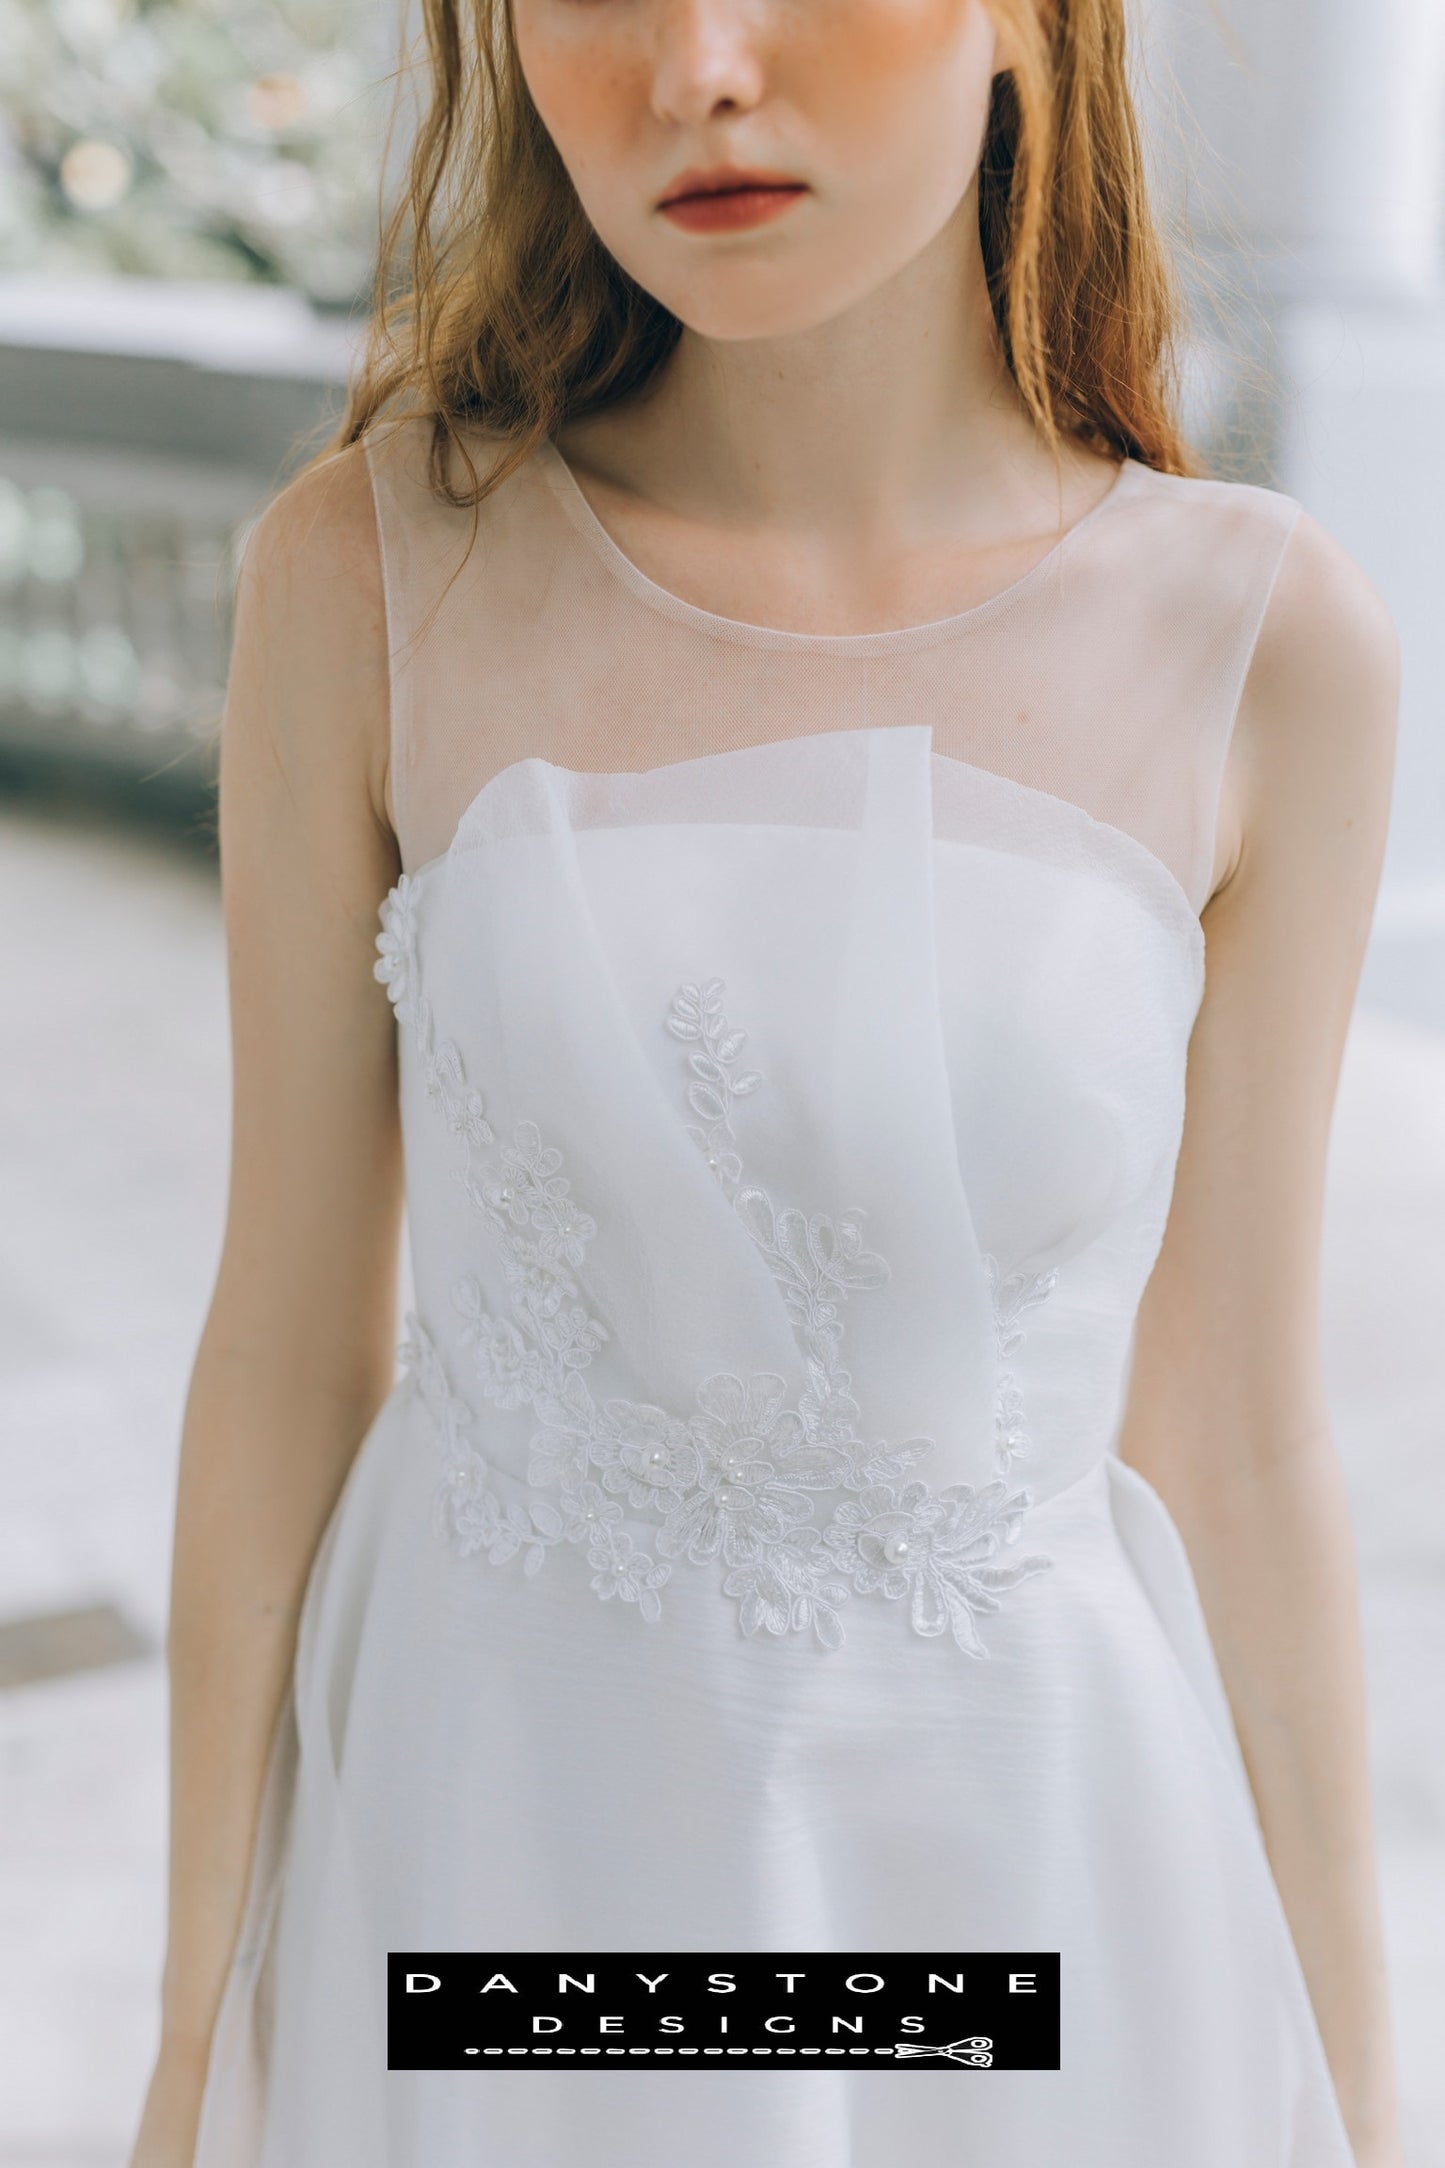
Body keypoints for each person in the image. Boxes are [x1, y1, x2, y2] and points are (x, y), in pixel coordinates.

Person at [128, 0, 1407, 2161]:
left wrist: (1370, 2098)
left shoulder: (1267, 643)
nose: (700, 67)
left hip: (1012, 1882)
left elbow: (1237, 1429)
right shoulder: (365, 575)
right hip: (499, 1853)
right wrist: (191, 2044)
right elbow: (283, 1343)